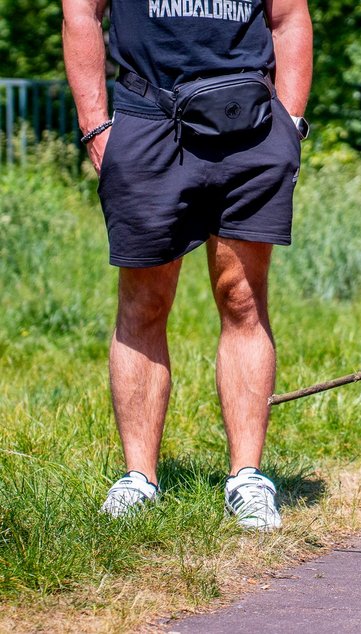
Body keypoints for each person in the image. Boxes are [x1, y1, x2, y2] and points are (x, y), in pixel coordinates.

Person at [62, 0, 313, 530]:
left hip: (250, 129)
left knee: (242, 299)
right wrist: (94, 125)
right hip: (148, 122)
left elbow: (289, 17)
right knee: (144, 302)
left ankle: (247, 479)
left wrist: (290, 123)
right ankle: (138, 480)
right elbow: (80, 11)